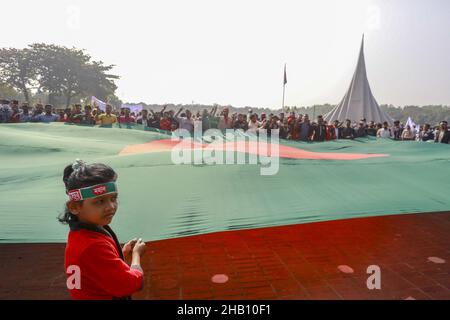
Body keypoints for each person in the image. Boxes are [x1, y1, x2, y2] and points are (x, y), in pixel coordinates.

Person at [60, 160, 146, 300]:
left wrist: (121, 253)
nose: (111, 206)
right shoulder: (93, 246)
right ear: (74, 207)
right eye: (100, 201)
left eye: (113, 198)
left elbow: (95, 267)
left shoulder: (81, 235)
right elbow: (132, 284)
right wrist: (136, 256)